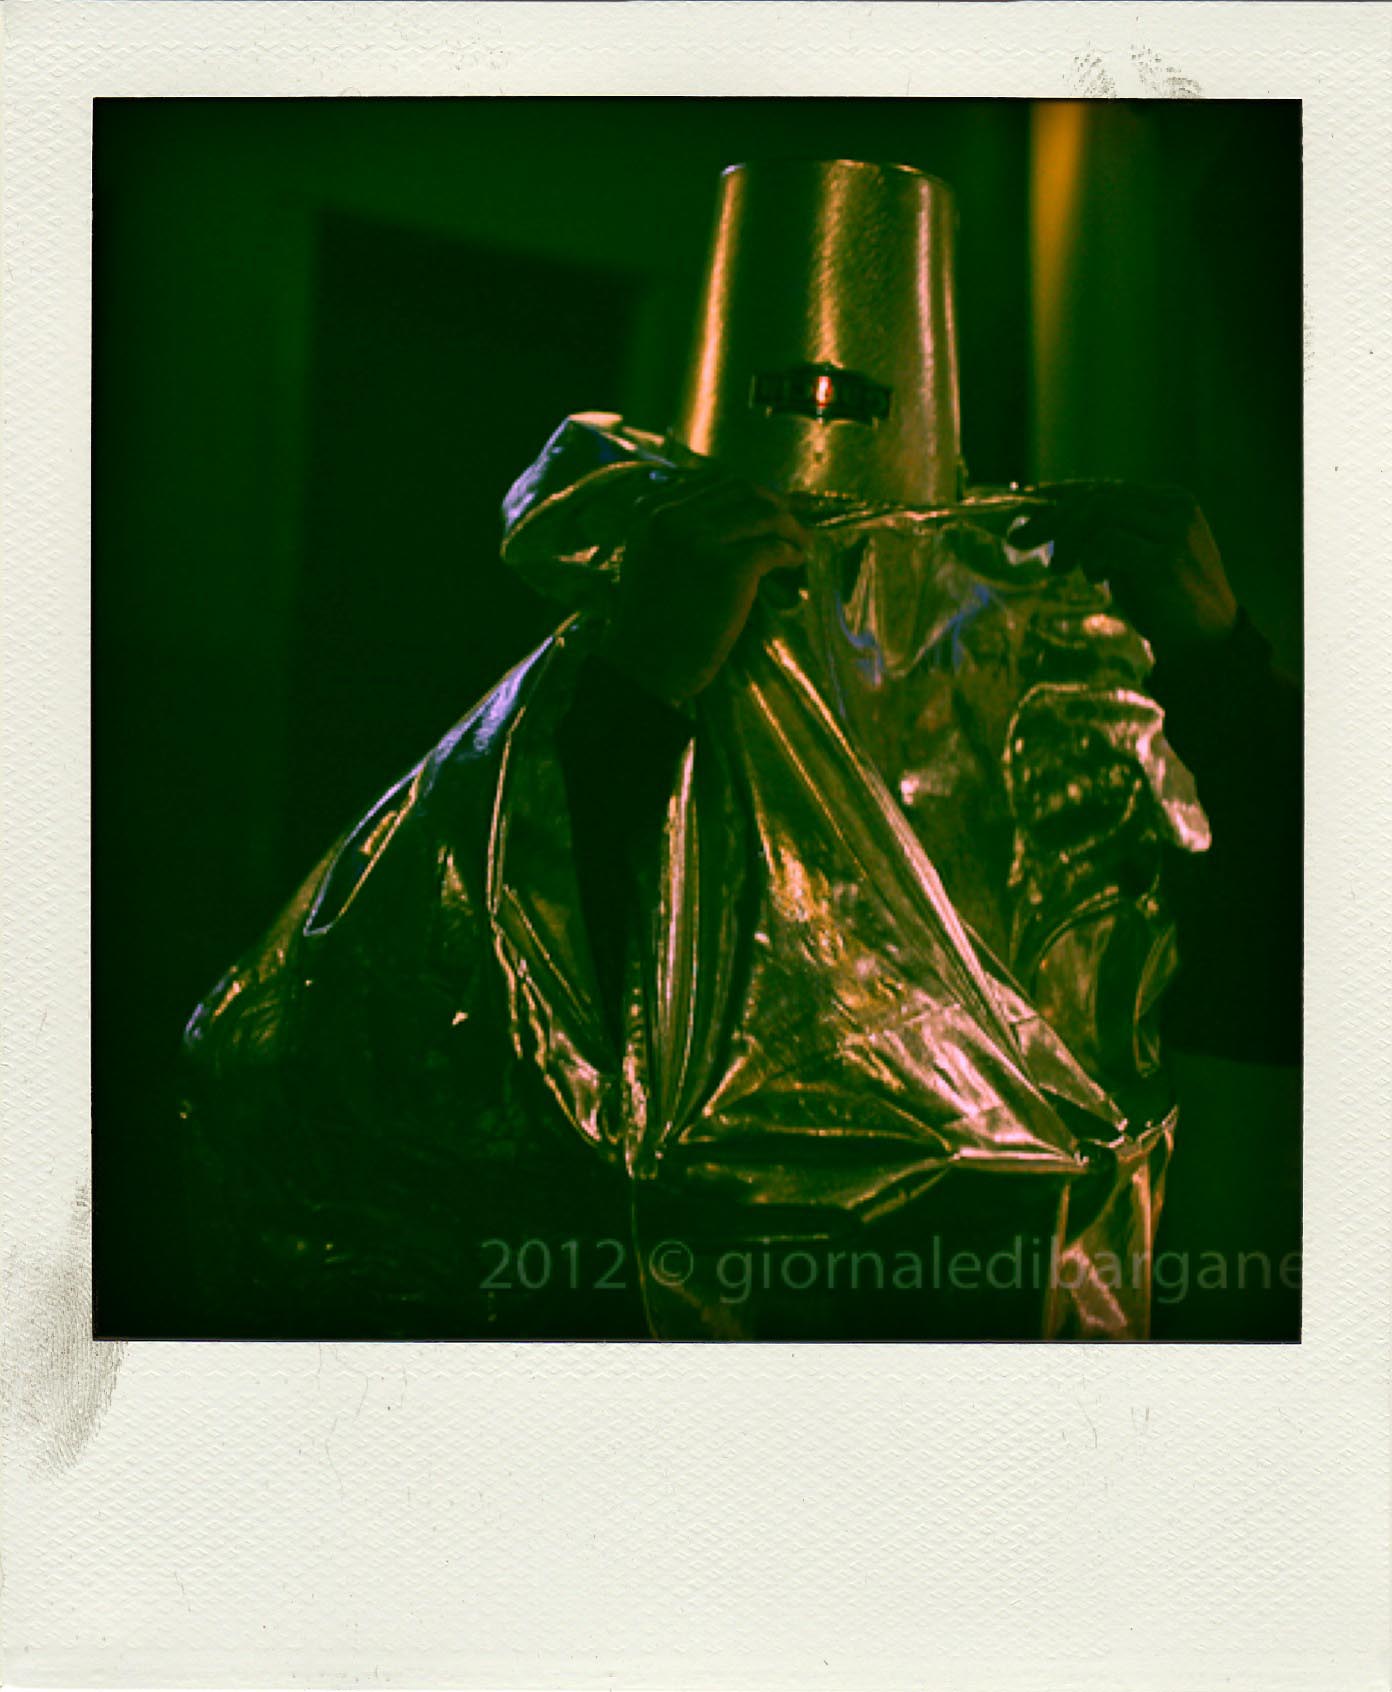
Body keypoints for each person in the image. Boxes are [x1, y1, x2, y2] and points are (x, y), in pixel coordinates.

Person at [178, 160, 1299, 1340]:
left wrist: (1224, 675)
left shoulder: (1042, 709)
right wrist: (630, 696)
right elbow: (350, 1050)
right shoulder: (594, 660)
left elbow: (1291, 981)